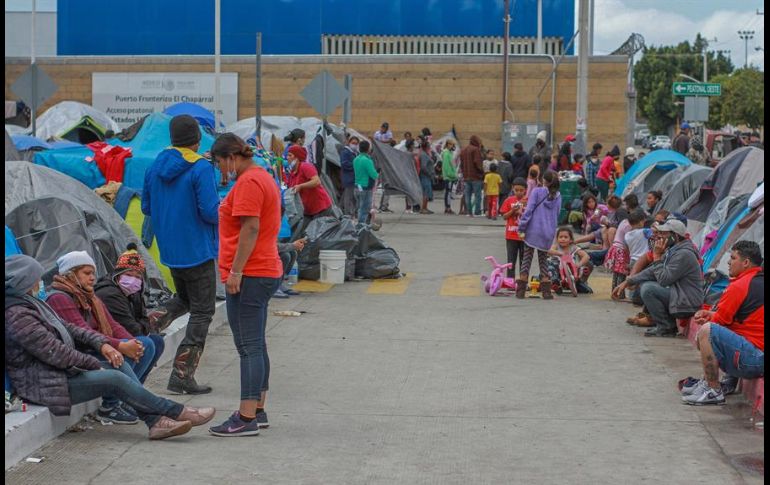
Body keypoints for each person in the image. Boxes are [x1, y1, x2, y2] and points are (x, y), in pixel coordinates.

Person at [5, 255, 216, 440]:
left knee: (121, 362)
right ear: (24, 281)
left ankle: (156, 422)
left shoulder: (29, 304)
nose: (40, 283)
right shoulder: (17, 315)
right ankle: (174, 411)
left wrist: (105, 345)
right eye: (35, 278)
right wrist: (94, 362)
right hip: (46, 384)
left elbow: (70, 328)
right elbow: (54, 351)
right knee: (113, 377)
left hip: (60, 372)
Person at [208, 133, 284, 436]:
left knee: (248, 347)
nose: (220, 170)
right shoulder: (262, 176)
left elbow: (250, 227)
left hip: (251, 273)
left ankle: (246, 417)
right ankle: (258, 409)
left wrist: (236, 271)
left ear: (230, 157)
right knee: (256, 343)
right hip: (262, 269)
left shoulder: (250, 182)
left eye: (219, 163)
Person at [142, 114, 219, 395]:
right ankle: (182, 375)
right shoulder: (201, 167)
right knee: (202, 311)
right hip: (197, 250)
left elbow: (148, 208)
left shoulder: (154, 166)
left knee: (184, 299)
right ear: (197, 140)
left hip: (171, 251)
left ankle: (145, 327)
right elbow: (211, 212)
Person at [46, 250, 166, 424]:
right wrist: (122, 345)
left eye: (93, 273)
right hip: (79, 355)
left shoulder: (89, 295)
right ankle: (113, 405)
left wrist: (132, 343)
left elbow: (114, 325)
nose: (92, 278)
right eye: (87, 273)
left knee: (148, 343)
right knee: (127, 350)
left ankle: (132, 398)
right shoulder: (60, 298)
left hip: (95, 345)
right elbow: (84, 332)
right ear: (70, 274)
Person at [681, 241, 764, 405]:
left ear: (745, 262)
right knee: (722, 331)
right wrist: (711, 314)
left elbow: (720, 323)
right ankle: (717, 383)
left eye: (733, 258)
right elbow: (742, 319)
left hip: (755, 360)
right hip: (757, 356)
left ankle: (713, 389)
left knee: (707, 331)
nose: (728, 262)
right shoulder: (757, 281)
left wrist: (709, 318)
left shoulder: (739, 286)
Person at [612, 219, 704, 337]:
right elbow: (651, 272)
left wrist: (656, 256)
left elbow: (664, 279)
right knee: (643, 287)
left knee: (648, 289)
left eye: (664, 234)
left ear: (675, 236)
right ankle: (663, 323)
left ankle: (666, 327)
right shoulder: (674, 250)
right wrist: (628, 281)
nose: (660, 236)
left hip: (687, 301)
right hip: (680, 295)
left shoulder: (684, 253)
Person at [94, 244, 166, 372]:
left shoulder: (134, 292)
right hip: (107, 339)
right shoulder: (109, 294)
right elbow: (131, 328)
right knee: (145, 343)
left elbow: (143, 319)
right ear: (118, 275)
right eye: (129, 274)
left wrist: (143, 326)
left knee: (157, 341)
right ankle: (129, 388)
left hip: (128, 335)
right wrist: (143, 327)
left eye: (138, 276)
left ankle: (136, 385)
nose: (133, 279)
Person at [516, 170, 562, 300]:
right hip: (548, 232)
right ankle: (546, 292)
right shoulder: (558, 196)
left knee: (527, 258)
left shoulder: (536, 191)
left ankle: (520, 291)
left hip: (533, 230)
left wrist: (522, 226)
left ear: (543, 181)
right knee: (543, 261)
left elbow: (529, 210)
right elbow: (557, 214)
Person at [285, 144, 334, 230]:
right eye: (287, 155)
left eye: (290, 155)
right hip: (307, 210)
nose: (287, 157)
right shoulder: (292, 173)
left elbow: (316, 181)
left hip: (320, 207)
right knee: (307, 234)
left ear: (297, 157)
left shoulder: (305, 166)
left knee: (317, 235)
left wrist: (301, 186)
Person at [604, 208, 647, 291]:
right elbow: (627, 244)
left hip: (615, 248)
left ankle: (615, 290)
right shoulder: (629, 227)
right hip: (621, 250)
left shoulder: (624, 222)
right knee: (622, 272)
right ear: (640, 221)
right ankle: (620, 292)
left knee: (617, 272)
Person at [546, 227, 592, 294]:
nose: (563, 239)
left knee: (587, 290)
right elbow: (549, 251)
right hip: (557, 272)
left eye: (565, 237)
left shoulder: (573, 247)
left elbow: (586, 256)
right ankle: (556, 284)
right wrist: (559, 253)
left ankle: (574, 283)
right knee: (551, 266)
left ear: (570, 239)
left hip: (570, 272)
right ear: (557, 239)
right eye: (560, 237)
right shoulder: (556, 246)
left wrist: (579, 264)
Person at [500, 178, 528, 279]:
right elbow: (504, 216)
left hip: (524, 236)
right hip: (511, 235)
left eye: (521, 190)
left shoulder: (528, 201)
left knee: (524, 260)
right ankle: (510, 281)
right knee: (511, 260)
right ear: (512, 189)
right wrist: (513, 210)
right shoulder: (509, 200)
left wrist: (522, 211)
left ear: (525, 190)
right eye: (516, 190)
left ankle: (522, 280)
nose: (519, 192)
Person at [353, 140, 380, 222]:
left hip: (357, 186)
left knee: (359, 208)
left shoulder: (356, 159)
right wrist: (377, 173)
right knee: (364, 209)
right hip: (366, 187)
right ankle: (362, 228)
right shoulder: (367, 160)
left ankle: (359, 225)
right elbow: (374, 175)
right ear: (368, 149)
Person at [460, 135, 485, 217]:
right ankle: (477, 212)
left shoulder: (463, 150)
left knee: (468, 195)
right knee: (477, 195)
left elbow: (462, 164)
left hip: (466, 176)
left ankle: (469, 212)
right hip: (476, 176)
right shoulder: (475, 150)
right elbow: (477, 164)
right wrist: (482, 173)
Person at [339, 136, 359, 217]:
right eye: (353, 143)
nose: (354, 145)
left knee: (346, 196)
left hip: (352, 178)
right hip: (348, 178)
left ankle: (340, 210)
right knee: (348, 197)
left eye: (356, 143)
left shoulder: (354, 153)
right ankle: (347, 214)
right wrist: (355, 165)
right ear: (349, 142)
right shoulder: (346, 152)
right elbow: (344, 164)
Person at [417, 139, 436, 215]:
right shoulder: (424, 155)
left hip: (425, 176)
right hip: (425, 176)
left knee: (426, 192)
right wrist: (429, 173)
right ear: (426, 147)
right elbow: (423, 167)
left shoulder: (424, 154)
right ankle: (423, 208)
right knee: (426, 192)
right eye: (429, 146)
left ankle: (425, 207)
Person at [441, 139, 458, 214]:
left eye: (454, 145)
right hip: (449, 177)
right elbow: (447, 166)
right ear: (448, 144)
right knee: (448, 193)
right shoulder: (446, 154)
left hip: (450, 176)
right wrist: (453, 175)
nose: (453, 146)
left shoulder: (449, 153)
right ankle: (448, 208)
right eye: (452, 144)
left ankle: (448, 207)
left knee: (449, 193)